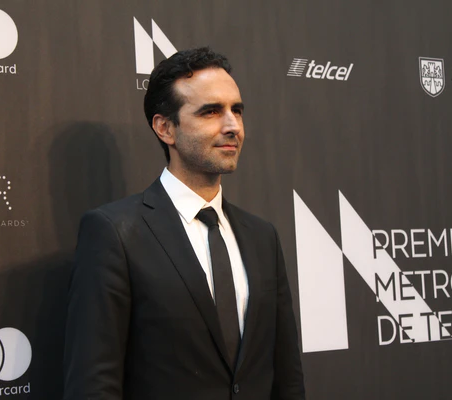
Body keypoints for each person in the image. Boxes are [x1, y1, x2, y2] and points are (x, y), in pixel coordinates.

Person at [63, 47, 306, 400]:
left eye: (237, 110)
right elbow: (93, 384)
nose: (232, 126)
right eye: (211, 111)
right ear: (165, 128)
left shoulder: (262, 237)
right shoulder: (115, 233)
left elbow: (287, 376)